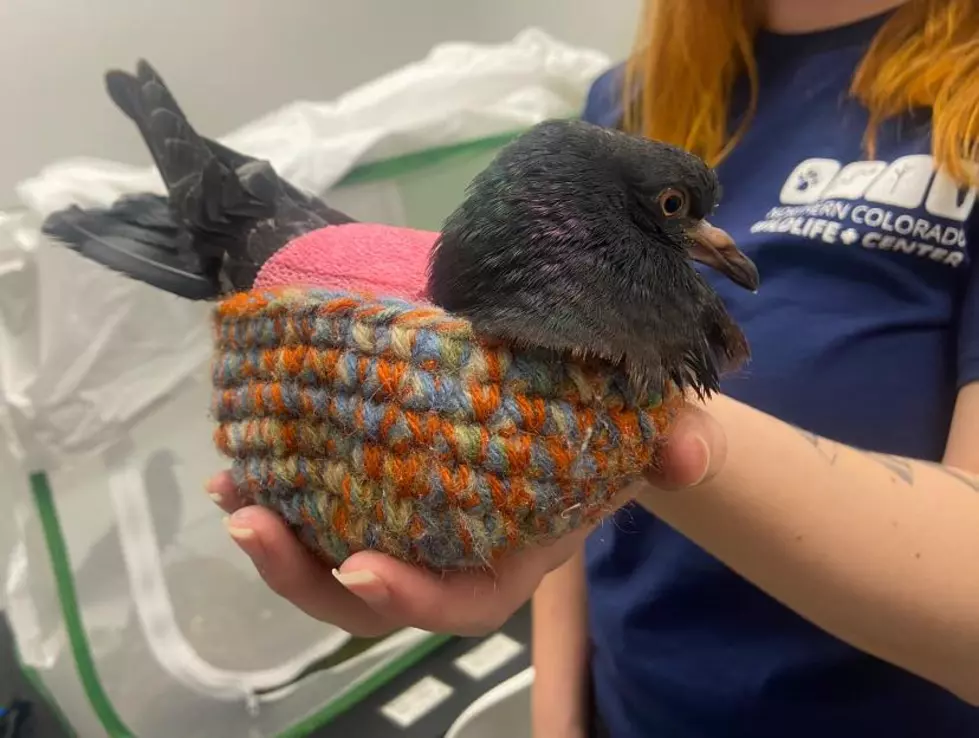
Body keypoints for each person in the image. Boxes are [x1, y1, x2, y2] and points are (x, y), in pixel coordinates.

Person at [206, 0, 979, 735]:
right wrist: (557, 716)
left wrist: (636, 426)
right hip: (629, 705)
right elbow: (582, 528)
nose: (716, 243)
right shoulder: (629, 94)